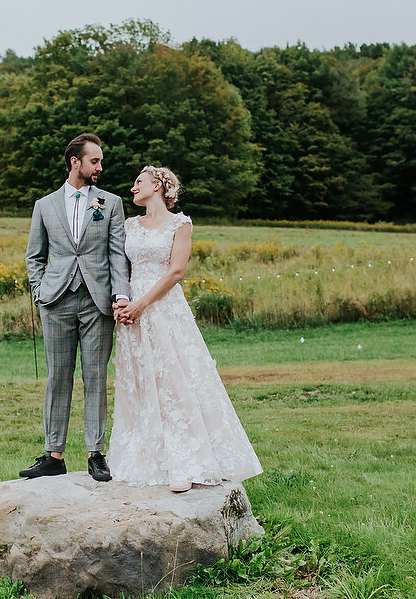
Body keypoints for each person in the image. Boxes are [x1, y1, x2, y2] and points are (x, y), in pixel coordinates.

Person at [108, 166, 263, 492]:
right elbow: (120, 266)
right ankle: (149, 455)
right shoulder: (129, 225)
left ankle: (186, 462)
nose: (133, 187)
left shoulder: (180, 224)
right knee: (139, 381)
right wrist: (122, 302)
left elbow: (176, 270)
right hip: (133, 314)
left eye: (139, 182)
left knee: (174, 382)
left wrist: (142, 304)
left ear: (158, 185)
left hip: (163, 308)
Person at [21, 133, 131, 482]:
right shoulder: (45, 205)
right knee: (58, 377)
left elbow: (117, 255)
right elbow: (34, 256)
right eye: (95, 161)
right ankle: (53, 455)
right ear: (75, 162)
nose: (100, 166)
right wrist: (40, 291)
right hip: (56, 301)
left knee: (95, 376)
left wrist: (120, 295)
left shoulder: (110, 203)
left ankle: (95, 454)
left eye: (99, 161)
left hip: (97, 303)